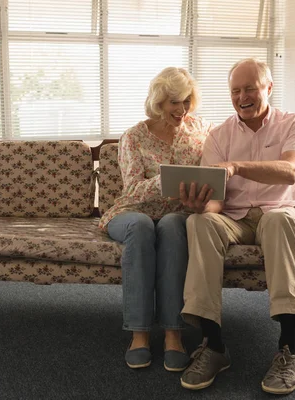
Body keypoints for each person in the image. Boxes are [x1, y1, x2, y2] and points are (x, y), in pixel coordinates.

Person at [177, 58, 295, 394]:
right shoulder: (219, 135)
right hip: (235, 218)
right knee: (200, 222)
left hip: (283, 211)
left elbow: (290, 172)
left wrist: (236, 166)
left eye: (250, 88)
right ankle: (214, 345)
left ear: (268, 88)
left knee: (279, 220)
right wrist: (201, 205)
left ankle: (290, 347)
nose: (242, 96)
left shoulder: (294, 123)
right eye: (235, 91)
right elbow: (217, 202)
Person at [99, 67, 213, 371]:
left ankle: (173, 334)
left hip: (177, 215)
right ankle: (139, 334)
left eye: (186, 100)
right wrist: (167, 182)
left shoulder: (202, 130)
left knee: (174, 225)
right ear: (159, 101)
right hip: (132, 213)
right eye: (174, 101)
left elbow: (213, 173)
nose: (182, 109)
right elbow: (133, 189)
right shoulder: (134, 136)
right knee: (141, 225)